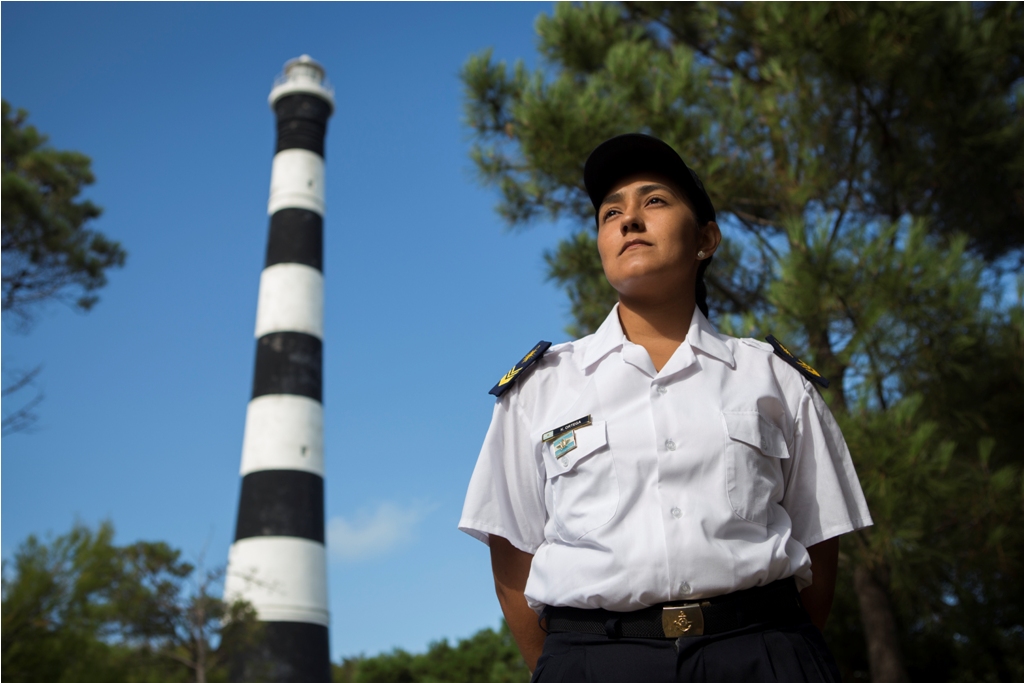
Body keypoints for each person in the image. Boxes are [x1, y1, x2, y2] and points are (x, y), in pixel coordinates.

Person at [459, 134, 872, 683]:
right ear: (602, 244)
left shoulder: (772, 377)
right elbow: (513, 557)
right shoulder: (540, 388)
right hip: (595, 662)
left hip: (762, 655)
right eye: (611, 213)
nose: (630, 220)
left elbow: (820, 543)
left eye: (654, 201)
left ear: (705, 238)